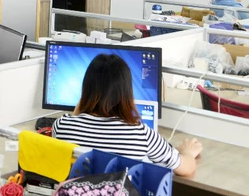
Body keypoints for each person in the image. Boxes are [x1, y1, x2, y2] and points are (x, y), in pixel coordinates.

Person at [51, 54, 202, 177]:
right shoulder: (141, 134)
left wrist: (82, 105)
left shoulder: (61, 125)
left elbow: (74, 122)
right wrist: (188, 152)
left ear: (85, 89)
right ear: (127, 94)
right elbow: (187, 169)